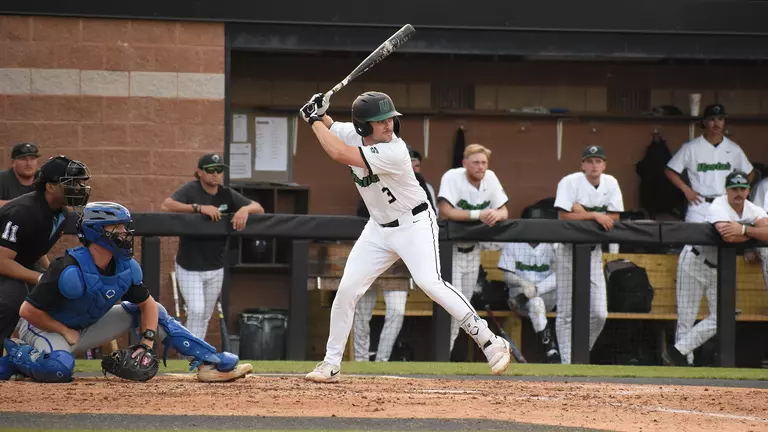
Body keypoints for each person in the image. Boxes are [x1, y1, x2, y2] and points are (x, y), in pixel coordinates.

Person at [298, 91, 511, 382]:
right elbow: (334, 130)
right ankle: (331, 363)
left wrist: (312, 121)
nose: (388, 125)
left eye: (390, 119)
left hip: (414, 224)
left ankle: (490, 340)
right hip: (378, 228)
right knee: (347, 289)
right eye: (380, 121)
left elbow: (337, 152)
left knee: (429, 283)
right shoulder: (351, 133)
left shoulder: (394, 150)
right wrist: (320, 113)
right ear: (363, 126)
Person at [0, 202, 253, 382]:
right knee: (59, 370)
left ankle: (209, 361)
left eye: (124, 227)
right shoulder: (68, 269)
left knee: (156, 310)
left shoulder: (125, 267)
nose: (124, 234)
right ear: (96, 232)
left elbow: (148, 306)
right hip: (43, 328)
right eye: (116, 228)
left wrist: (146, 342)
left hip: (84, 327)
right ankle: (17, 356)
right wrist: (65, 331)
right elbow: (27, 311)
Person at [663, 171, 768, 366]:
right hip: (694, 262)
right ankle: (686, 364)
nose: (738, 192)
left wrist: (745, 230)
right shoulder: (718, 205)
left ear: (748, 190)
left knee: (727, 314)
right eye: (734, 188)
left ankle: (677, 352)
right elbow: (728, 236)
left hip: (718, 268)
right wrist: (755, 234)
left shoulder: (752, 209)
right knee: (686, 318)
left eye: (742, 188)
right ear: (726, 190)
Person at [161, 153, 264, 340]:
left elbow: (258, 207)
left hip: (216, 265)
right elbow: (167, 205)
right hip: (189, 265)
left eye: (219, 170)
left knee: (206, 315)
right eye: (210, 170)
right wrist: (198, 208)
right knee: (196, 310)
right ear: (199, 172)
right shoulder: (191, 190)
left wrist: (244, 209)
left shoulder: (226, 194)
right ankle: (190, 351)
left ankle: (195, 351)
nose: (215, 174)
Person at [0, 155, 90, 344]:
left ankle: (44, 350)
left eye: (80, 183)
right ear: (50, 186)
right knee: (13, 294)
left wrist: (51, 273)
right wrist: (40, 278)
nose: (79, 188)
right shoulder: (22, 211)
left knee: (59, 290)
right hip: (5, 267)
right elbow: (2, 261)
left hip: (16, 265)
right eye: (72, 183)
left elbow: (37, 248)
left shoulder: (61, 213)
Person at [554, 145, 624, 364]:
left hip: (593, 253)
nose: (594, 165)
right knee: (566, 311)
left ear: (604, 164)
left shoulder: (610, 182)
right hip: (567, 251)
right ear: (583, 164)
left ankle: (580, 352)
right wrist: (594, 214)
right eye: (590, 161)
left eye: (598, 161)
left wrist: (582, 212)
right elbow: (564, 216)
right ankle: (567, 362)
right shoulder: (569, 181)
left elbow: (615, 217)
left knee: (599, 312)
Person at [436, 143, 509, 355]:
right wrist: (480, 215)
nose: (480, 167)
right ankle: (442, 359)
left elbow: (504, 209)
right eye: (476, 162)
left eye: (484, 163)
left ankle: (446, 357)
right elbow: (445, 210)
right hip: (450, 253)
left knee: (465, 311)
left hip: (473, 252)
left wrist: (498, 215)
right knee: (452, 310)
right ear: (465, 163)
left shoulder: (491, 178)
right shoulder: (452, 177)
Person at [665, 104, 754, 223]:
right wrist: (686, 190)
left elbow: (750, 172)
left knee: (726, 240)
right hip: (699, 204)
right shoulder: (691, 147)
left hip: (725, 204)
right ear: (705, 122)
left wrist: (739, 192)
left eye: (720, 119)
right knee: (693, 240)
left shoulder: (733, 148)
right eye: (712, 119)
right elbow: (670, 170)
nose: (716, 123)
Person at [498, 240, 560, 363]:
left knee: (559, 277)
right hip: (520, 297)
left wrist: (534, 290)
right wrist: (524, 284)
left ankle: (532, 293)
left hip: (545, 297)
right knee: (536, 302)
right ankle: (549, 348)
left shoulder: (554, 245)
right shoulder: (513, 243)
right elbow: (507, 276)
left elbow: (561, 275)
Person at [0, 142, 41, 206]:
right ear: (13, 163)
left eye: (32, 159)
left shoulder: (44, 178)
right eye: (23, 159)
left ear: (37, 162)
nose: (29, 164)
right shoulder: (2, 179)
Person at [409, 147, 437, 215]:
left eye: (417, 166)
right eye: (410, 166)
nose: (413, 169)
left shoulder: (428, 187)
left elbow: (433, 210)